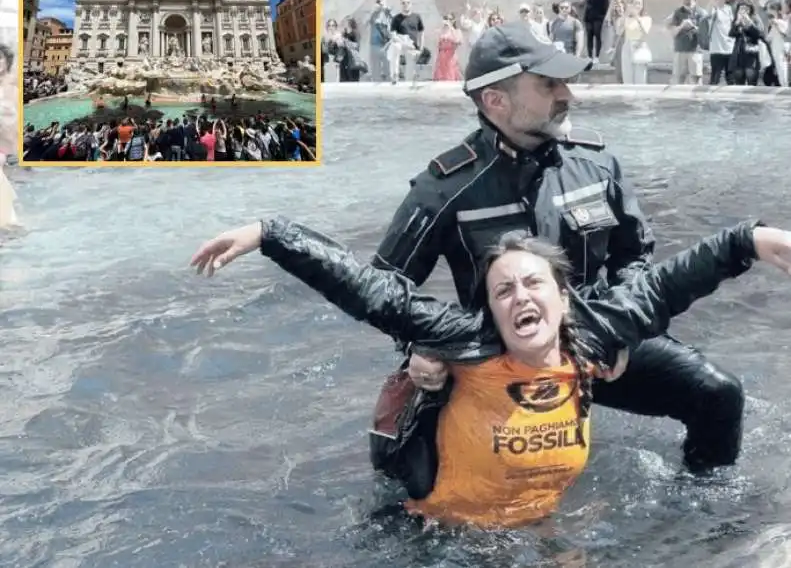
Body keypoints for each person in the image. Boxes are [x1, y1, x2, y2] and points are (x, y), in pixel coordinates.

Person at [191, 217, 791, 527]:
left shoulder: (596, 334)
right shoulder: (468, 342)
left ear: (562, 295)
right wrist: (268, 235)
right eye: (502, 291)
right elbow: (369, 290)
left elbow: (673, 279)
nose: (518, 297)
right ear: (490, 309)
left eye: (533, 283)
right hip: (437, 539)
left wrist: (750, 240)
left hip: (539, 529)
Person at [366, 19, 747, 493]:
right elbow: (382, 288)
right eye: (549, 84)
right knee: (412, 476)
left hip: (595, 342)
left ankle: (701, 513)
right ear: (495, 101)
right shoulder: (444, 188)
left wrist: (622, 331)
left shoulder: (596, 164)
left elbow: (634, 256)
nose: (569, 94)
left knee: (718, 393)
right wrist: (420, 349)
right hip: (493, 358)